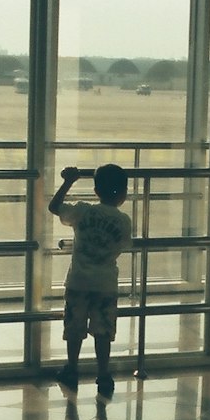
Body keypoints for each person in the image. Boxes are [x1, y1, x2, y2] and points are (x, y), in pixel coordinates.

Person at [48, 162, 132, 397]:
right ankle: (103, 374)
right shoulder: (123, 221)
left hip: (78, 281)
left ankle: (72, 370)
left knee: (74, 328)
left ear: (96, 191)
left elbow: (54, 207)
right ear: (124, 194)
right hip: (105, 284)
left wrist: (68, 182)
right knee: (103, 331)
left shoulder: (83, 211)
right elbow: (124, 244)